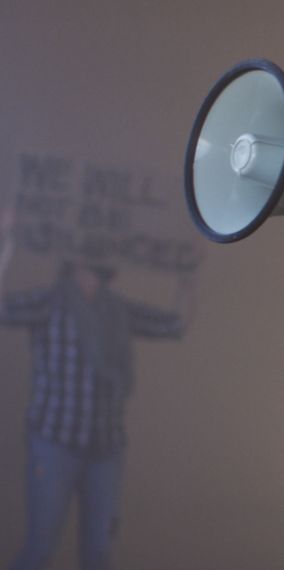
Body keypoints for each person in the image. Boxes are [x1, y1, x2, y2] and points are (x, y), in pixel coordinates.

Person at [0, 206, 195, 570]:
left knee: (99, 554)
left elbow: (174, 325)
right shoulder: (50, 302)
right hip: (53, 444)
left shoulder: (117, 311)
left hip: (105, 448)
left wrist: (186, 277)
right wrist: (7, 239)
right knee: (40, 547)